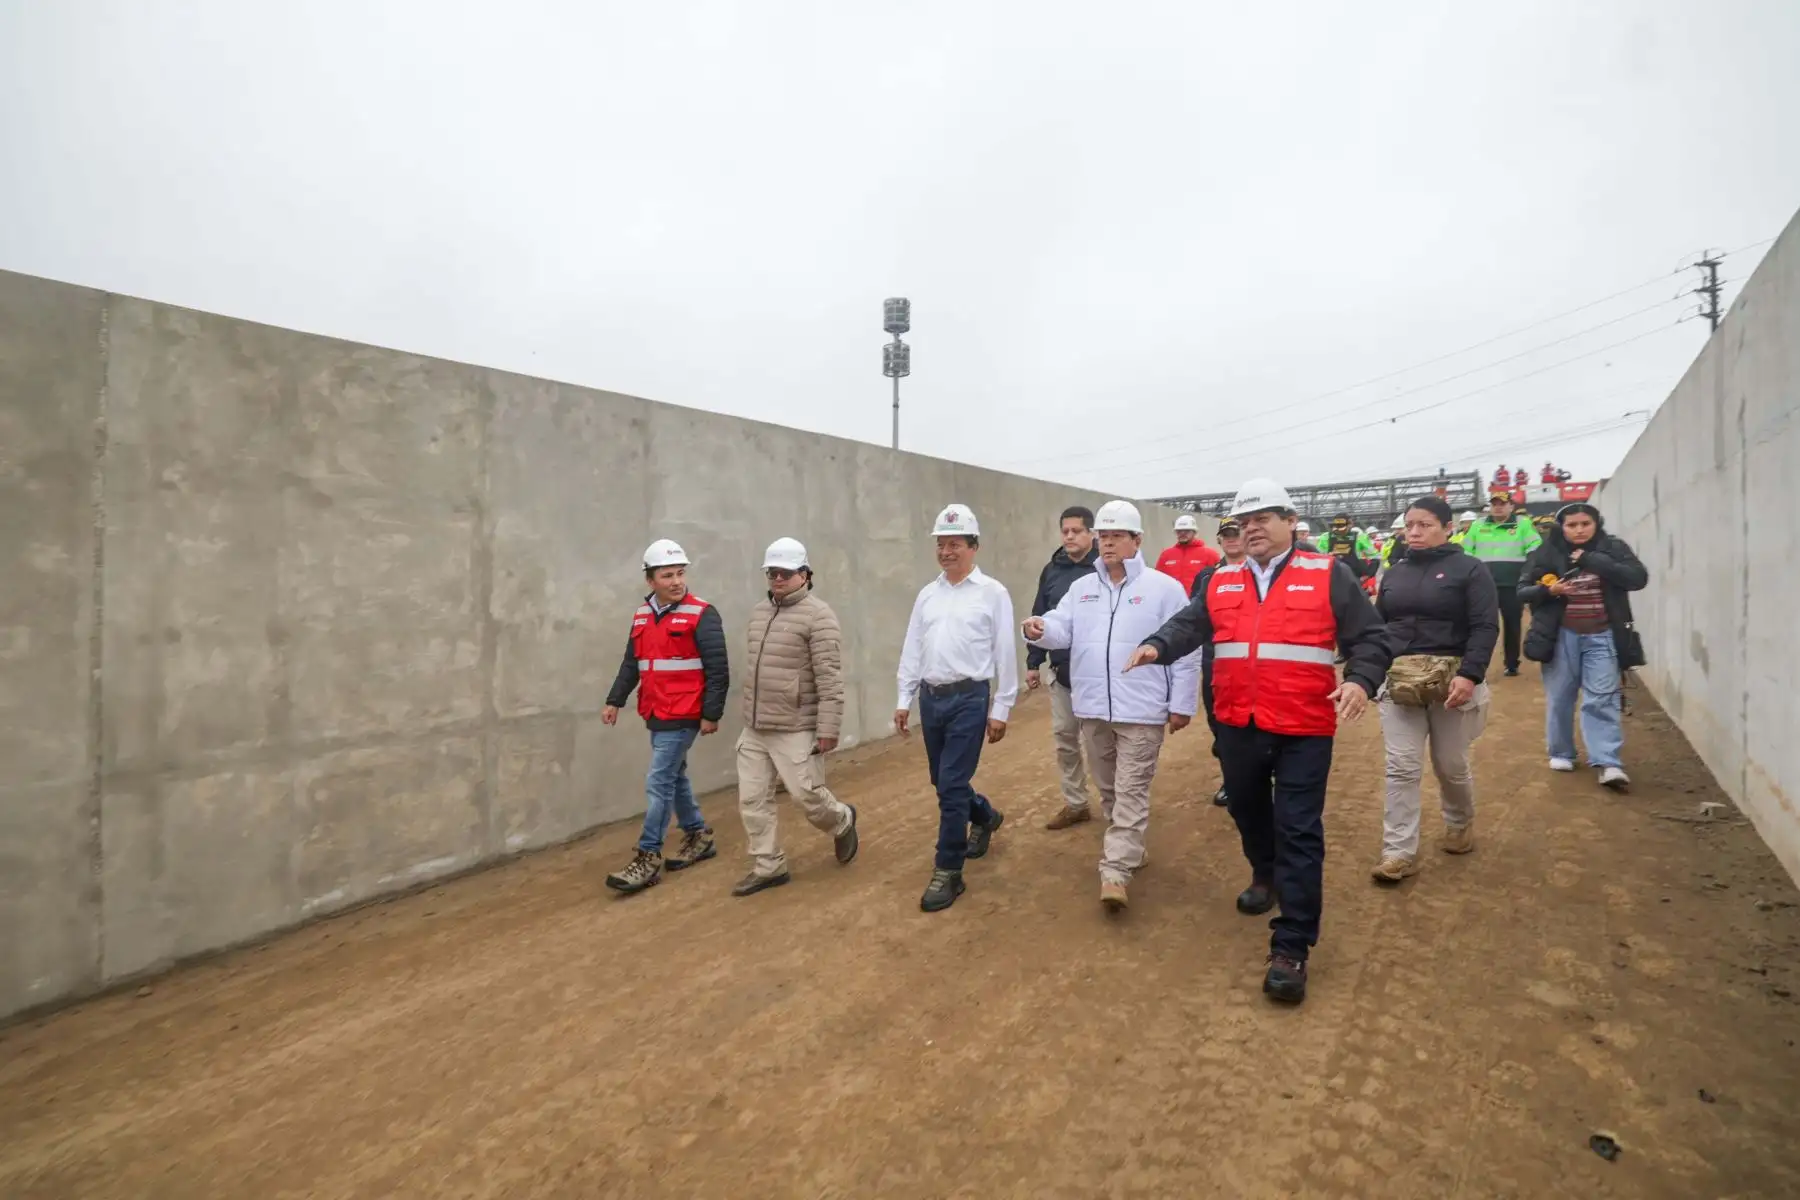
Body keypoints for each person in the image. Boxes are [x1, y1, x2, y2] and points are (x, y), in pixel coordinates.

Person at [1126, 478, 1392, 1004]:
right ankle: (1265, 873)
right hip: (1238, 723)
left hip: (1303, 728)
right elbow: (1187, 625)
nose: (1252, 529)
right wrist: (1157, 645)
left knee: (1298, 828)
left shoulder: (1328, 575)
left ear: (1290, 522)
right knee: (1247, 810)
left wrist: (1361, 679)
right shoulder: (1221, 582)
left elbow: (1371, 639)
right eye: (1244, 522)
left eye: (1263, 518)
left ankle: (1291, 944)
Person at [1023, 501, 1200, 911]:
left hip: (1142, 710)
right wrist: (1040, 629)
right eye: (1103, 536)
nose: (1108, 543)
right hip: (1093, 709)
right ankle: (1131, 850)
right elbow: (1061, 627)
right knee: (1108, 790)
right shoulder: (1082, 589)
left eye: (1116, 536)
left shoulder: (1164, 589)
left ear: (1137, 540)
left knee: (1130, 789)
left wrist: (1181, 703)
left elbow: (1187, 648)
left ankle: (1115, 870)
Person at [896, 503, 1019, 912]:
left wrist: (1001, 706)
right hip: (932, 700)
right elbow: (913, 646)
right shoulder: (927, 595)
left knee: (950, 784)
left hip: (970, 698)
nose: (947, 552)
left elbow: (1005, 652)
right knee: (942, 779)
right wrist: (903, 698)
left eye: (955, 544)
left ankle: (948, 869)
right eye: (941, 544)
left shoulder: (992, 593)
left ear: (973, 546)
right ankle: (983, 815)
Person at [1370, 497, 1499, 882]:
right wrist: (1368, 672)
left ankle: (1459, 824)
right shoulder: (1393, 573)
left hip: (1453, 685)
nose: (1414, 532)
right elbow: (1379, 628)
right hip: (1400, 684)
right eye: (1409, 525)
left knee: (1450, 765)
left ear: (1448, 527)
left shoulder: (1470, 570)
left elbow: (1484, 626)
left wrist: (1470, 674)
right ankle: (1397, 852)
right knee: (1402, 767)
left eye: (1424, 525)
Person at [731, 538, 861, 897]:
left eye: (786, 573)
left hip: (795, 726)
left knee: (807, 797)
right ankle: (768, 865)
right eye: (773, 572)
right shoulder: (760, 612)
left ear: (805, 574)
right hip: (756, 726)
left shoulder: (820, 617)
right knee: (753, 800)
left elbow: (830, 678)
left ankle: (842, 819)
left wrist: (828, 729)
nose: (778, 578)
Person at [602, 539, 731, 894]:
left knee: (659, 780)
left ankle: (648, 855)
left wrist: (711, 714)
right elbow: (632, 663)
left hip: (686, 711)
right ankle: (698, 835)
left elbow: (718, 670)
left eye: (680, 573)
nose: (676, 581)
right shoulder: (642, 615)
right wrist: (615, 700)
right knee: (674, 777)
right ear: (651, 580)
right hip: (656, 709)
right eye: (667, 575)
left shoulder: (703, 613)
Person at [1519, 502, 1649, 790]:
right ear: (1561, 528)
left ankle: (1607, 761)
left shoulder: (1614, 548)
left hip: (1603, 635)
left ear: (1596, 524)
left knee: (1602, 697)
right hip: (1561, 635)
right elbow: (1523, 590)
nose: (1578, 530)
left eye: (1585, 524)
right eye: (1571, 525)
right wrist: (1548, 590)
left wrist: (1593, 561)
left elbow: (1638, 578)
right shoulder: (1546, 552)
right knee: (1560, 697)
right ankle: (1562, 752)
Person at [1027, 506, 1102, 829]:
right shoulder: (1052, 570)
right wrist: (1033, 662)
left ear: (1091, 534)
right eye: (1065, 531)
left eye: (1077, 531)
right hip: (1062, 674)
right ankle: (1076, 803)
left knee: (1101, 745)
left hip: (1098, 675)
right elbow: (1039, 615)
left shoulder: (1105, 567)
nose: (1069, 536)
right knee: (1064, 739)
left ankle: (1116, 808)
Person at [1196, 517, 1249, 807]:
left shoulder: (1259, 574)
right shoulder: (1207, 577)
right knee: (1219, 724)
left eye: (1235, 533)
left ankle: (1249, 781)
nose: (1231, 539)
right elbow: (1196, 619)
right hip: (1214, 661)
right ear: (1219, 540)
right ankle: (1231, 778)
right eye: (1226, 534)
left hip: (1250, 662)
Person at [1461, 490, 1542, 676]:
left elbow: (1535, 548)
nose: (1497, 507)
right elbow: (1466, 551)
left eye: (1502, 504)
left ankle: (1512, 663)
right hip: (1483, 585)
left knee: (1512, 624)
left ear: (1511, 506)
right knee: (1481, 625)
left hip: (1512, 585)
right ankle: (1477, 665)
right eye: (1494, 504)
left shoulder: (1523, 525)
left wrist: (1528, 573)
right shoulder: (1478, 525)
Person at [1154, 513, 1221, 595]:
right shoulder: (1166, 555)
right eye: (1179, 531)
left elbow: (1219, 580)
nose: (1182, 533)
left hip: (1198, 604)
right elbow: (1157, 581)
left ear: (1194, 532)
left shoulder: (1210, 554)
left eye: (1186, 531)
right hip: (1172, 603)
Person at [1319, 512, 1376, 580]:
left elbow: (1375, 557)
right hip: (1336, 578)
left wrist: (1368, 574)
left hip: (1349, 578)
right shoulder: (1325, 537)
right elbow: (1318, 559)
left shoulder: (1359, 537)